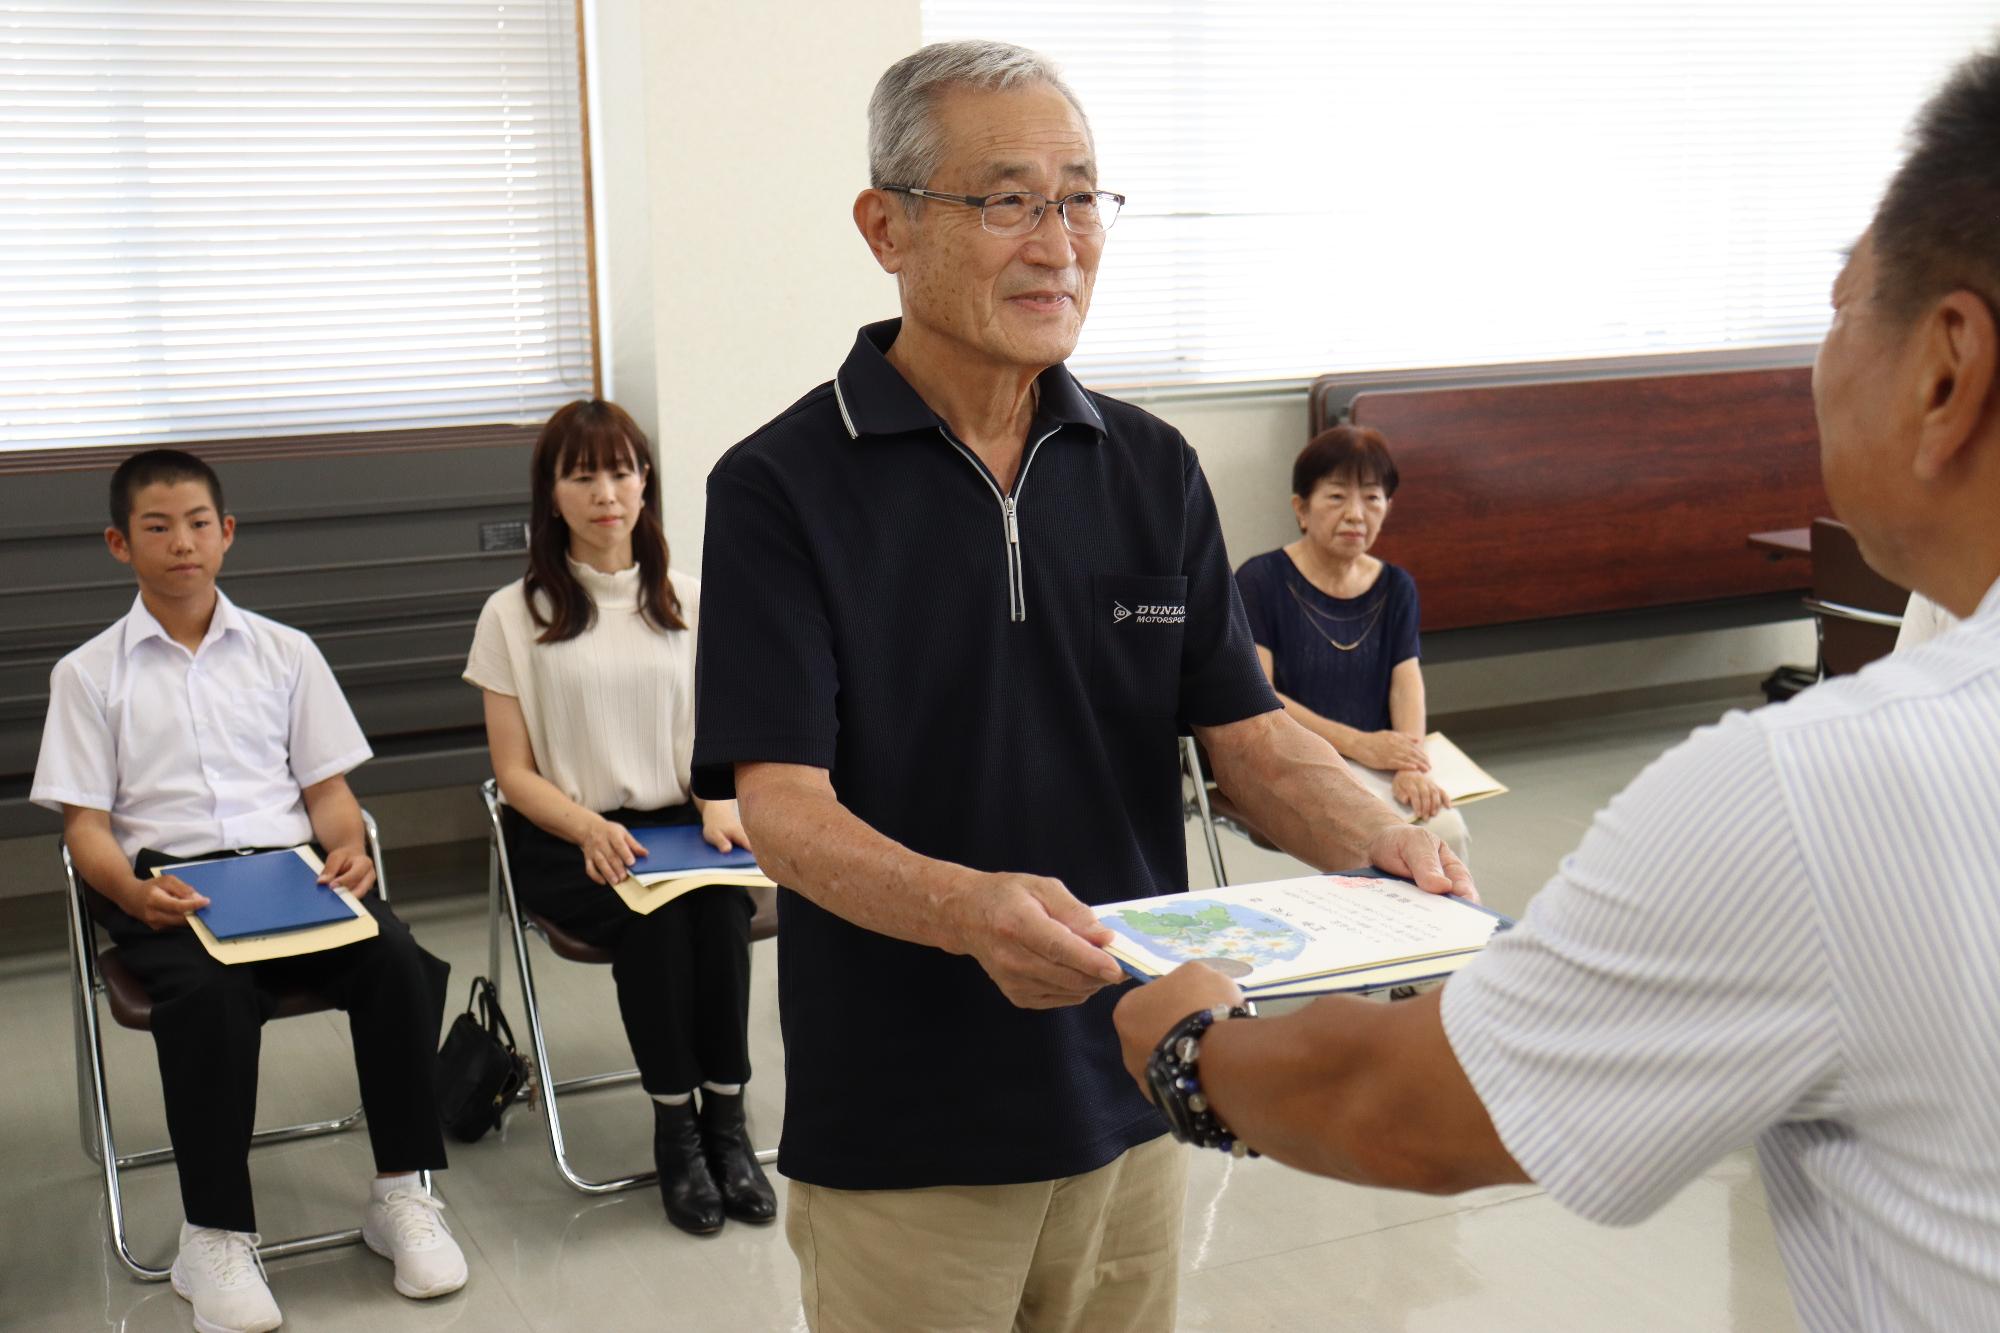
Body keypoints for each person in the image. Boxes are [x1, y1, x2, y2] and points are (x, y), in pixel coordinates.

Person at [1114, 43, 2000, 1332]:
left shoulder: (1816, 790)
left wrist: (1192, 1045)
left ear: (1943, 370)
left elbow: (1415, 1104)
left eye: (1837, 307)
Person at [692, 39, 1473, 1333]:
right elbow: (782, 807)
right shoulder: (780, 487)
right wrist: (967, 910)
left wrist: (1387, 841)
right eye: (1006, 199)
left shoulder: (1150, 468)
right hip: (911, 1124)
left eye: (1081, 197)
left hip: (1140, 1076)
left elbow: (1250, 743)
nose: (1057, 241)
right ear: (885, 226)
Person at [32, 450, 466, 1333]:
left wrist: (347, 850)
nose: (181, 542)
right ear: (120, 543)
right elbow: (84, 828)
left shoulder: (286, 652)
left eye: (198, 522)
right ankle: (215, 1233)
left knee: (397, 959)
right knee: (212, 994)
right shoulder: (87, 674)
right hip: (168, 885)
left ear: (227, 532)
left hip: (286, 870)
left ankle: (399, 1193)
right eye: (157, 527)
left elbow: (328, 792)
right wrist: (132, 891)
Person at [463, 399, 774, 1236]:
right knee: (661, 920)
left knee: (716, 907)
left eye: (622, 468)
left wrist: (717, 798)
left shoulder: (693, 598)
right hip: (569, 832)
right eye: (582, 473)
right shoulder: (512, 613)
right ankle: (678, 1131)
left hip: (684, 822)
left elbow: (731, 737)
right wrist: (589, 829)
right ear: (552, 495)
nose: (607, 490)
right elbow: (512, 774)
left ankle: (727, 1121)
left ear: (646, 482)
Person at [1234, 425, 1469, 856]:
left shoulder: (1396, 586)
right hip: (1293, 760)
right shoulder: (1259, 581)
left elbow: (1406, 682)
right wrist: (1360, 744)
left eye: (1373, 498)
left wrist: (1409, 762)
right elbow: (1261, 696)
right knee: (1374, 841)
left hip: (1377, 758)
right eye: (1337, 496)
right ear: (1301, 508)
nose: (1357, 514)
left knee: (1445, 831)